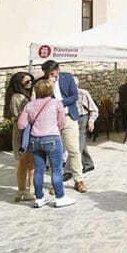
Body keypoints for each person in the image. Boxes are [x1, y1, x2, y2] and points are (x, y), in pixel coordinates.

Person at [17, 79, 76, 208]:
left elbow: (21, 125)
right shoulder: (56, 103)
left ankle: (39, 198)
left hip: (35, 140)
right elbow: (62, 123)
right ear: (50, 90)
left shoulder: (29, 105)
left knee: (39, 170)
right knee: (56, 170)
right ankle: (60, 197)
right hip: (52, 138)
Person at [41, 60, 86, 193]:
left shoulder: (67, 77)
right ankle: (56, 183)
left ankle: (78, 180)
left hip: (68, 117)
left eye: (52, 73)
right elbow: (41, 99)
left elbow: (74, 96)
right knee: (54, 152)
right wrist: (50, 85)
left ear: (58, 70)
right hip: (52, 120)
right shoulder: (42, 82)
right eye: (47, 74)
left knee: (73, 149)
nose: (50, 76)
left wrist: (59, 103)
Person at [3, 71, 36, 202]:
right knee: (24, 162)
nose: (30, 83)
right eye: (27, 81)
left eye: (31, 81)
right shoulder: (17, 97)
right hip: (23, 131)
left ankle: (31, 187)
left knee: (32, 161)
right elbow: (21, 116)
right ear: (19, 83)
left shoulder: (27, 95)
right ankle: (21, 190)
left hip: (30, 130)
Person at [64, 88, 98, 177]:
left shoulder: (83, 93)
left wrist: (91, 121)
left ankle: (68, 170)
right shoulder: (63, 93)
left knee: (76, 144)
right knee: (80, 142)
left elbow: (94, 109)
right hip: (70, 119)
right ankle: (88, 163)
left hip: (82, 118)